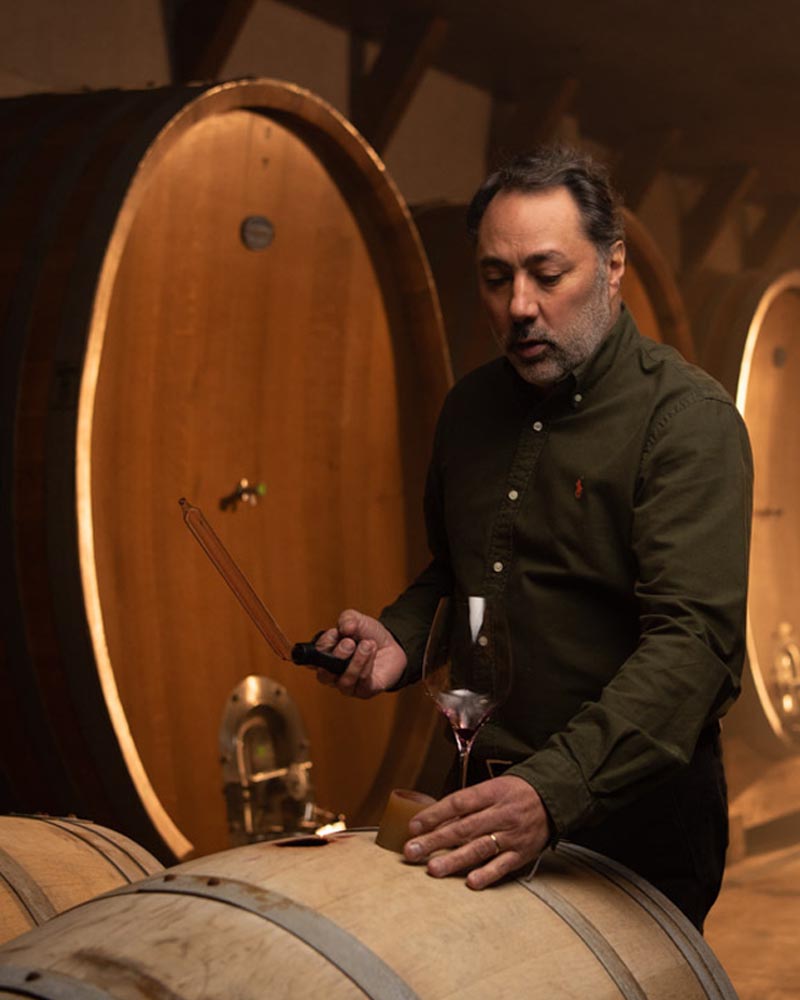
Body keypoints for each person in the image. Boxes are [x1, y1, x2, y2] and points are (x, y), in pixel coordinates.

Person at [312, 146, 753, 932]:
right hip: (481, 795)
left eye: (548, 275)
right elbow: (459, 574)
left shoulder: (685, 421)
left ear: (613, 266)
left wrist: (551, 793)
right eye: (495, 277)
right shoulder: (469, 410)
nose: (519, 305)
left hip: (631, 821)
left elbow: (695, 647)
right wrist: (399, 638)